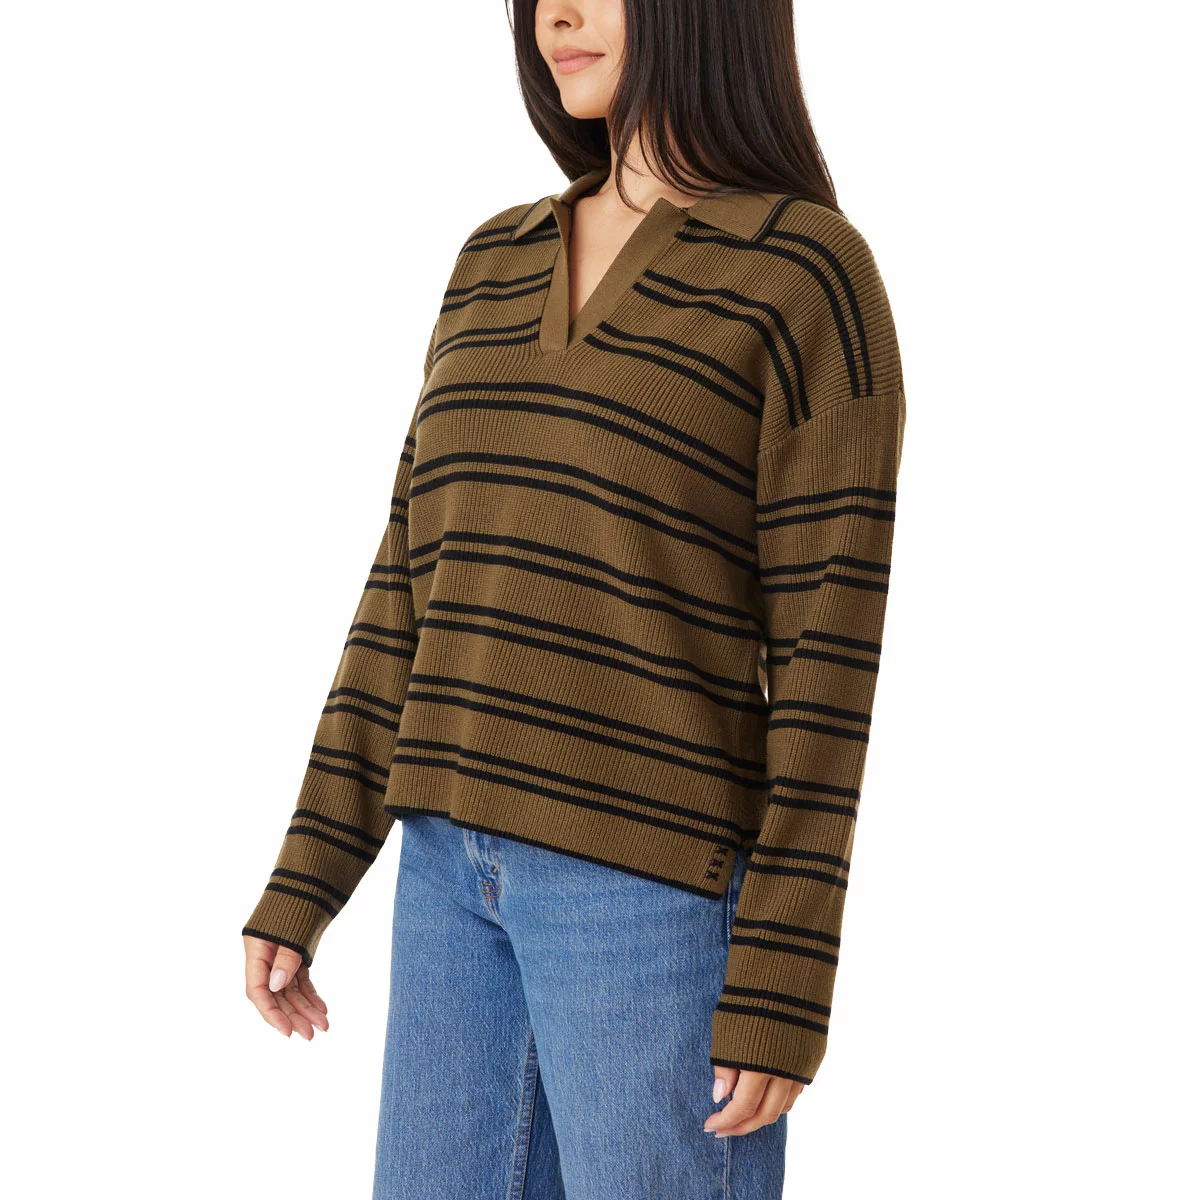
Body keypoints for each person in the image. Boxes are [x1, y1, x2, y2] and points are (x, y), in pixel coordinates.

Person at [241, 2, 905, 1196]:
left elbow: (828, 659)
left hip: (651, 898)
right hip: (448, 876)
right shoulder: (492, 260)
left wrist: (785, 973)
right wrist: (310, 869)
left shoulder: (805, 273)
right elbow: (407, 588)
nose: (556, 11)